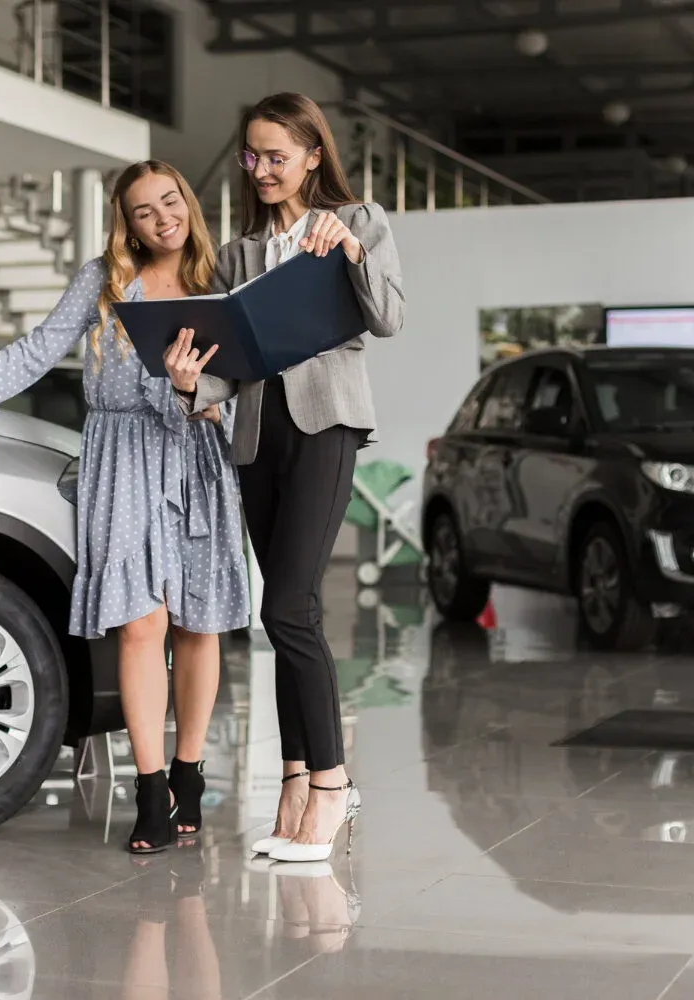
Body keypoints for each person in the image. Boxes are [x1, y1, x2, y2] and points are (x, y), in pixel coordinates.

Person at [0, 161, 249, 854]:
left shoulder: (221, 283)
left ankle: (190, 774)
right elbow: (38, 350)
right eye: (143, 210)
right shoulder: (103, 279)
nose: (160, 218)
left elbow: (242, 385)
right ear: (127, 220)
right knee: (142, 627)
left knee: (197, 624)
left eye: (170, 202)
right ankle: (149, 790)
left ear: (189, 204)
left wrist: (196, 394)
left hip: (195, 452)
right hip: (121, 457)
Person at [164, 93, 406, 864]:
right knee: (286, 616)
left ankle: (332, 784)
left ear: (311, 154)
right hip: (256, 438)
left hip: (326, 423)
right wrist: (185, 385)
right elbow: (233, 370)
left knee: (290, 605)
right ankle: (296, 778)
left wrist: (352, 255)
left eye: (277, 155)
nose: (263, 170)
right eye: (252, 156)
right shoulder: (237, 255)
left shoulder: (357, 221)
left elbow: (389, 319)